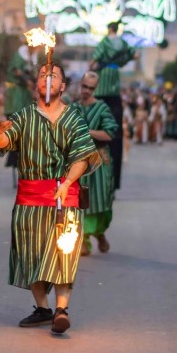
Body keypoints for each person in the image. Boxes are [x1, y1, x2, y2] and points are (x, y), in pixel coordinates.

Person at [0, 60, 99, 335]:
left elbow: (83, 157)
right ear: (36, 84)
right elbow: (4, 142)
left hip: (64, 197)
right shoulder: (23, 116)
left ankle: (62, 309)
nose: (47, 79)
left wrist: (68, 182)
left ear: (63, 86)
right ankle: (42, 308)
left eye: (53, 76)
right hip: (30, 199)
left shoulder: (74, 118)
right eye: (42, 75)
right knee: (30, 255)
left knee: (64, 253)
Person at [75, 72, 117, 256]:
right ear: (80, 84)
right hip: (77, 160)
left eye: (91, 88)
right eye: (84, 86)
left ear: (95, 89)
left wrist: (88, 131)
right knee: (80, 201)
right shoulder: (73, 108)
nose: (86, 91)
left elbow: (109, 134)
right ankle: (83, 240)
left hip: (99, 160)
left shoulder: (102, 108)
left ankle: (99, 233)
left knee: (100, 201)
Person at [90, 21, 135, 190]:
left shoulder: (105, 42)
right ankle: (113, 181)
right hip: (114, 87)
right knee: (115, 133)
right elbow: (134, 54)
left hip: (102, 87)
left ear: (109, 29)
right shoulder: (122, 43)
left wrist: (91, 70)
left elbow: (94, 59)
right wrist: (122, 60)